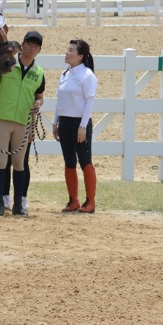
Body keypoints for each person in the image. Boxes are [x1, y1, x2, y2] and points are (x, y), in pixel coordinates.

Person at [0, 30, 45, 216]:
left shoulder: (39, 73)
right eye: (29, 44)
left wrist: (38, 103)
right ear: (22, 45)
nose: (32, 48)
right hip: (2, 118)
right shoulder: (6, 65)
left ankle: (17, 204)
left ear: (39, 50)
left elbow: (39, 97)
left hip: (23, 122)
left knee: (19, 164)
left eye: (36, 46)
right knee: (1, 162)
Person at [52, 39, 98, 214]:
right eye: (67, 49)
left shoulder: (87, 75)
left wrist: (83, 126)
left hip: (80, 123)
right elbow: (60, 100)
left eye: (71, 50)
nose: (67, 52)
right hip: (65, 123)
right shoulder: (64, 74)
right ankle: (73, 200)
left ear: (80, 56)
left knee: (85, 162)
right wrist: (55, 123)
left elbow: (90, 102)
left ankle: (90, 202)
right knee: (69, 162)